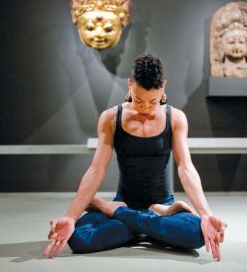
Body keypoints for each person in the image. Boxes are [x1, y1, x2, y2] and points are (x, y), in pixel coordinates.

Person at [42, 53, 227, 260]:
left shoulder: (175, 118)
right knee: (78, 237)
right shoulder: (111, 118)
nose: (146, 108)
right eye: (139, 100)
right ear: (130, 85)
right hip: (131, 204)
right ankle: (154, 227)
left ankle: (116, 213)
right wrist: (70, 216)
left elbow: (186, 168)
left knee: (197, 233)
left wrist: (206, 214)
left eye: (153, 101)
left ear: (163, 88)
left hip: (160, 204)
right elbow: (97, 169)